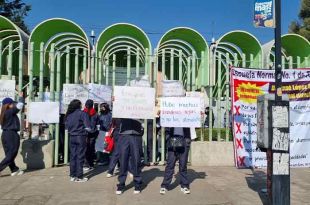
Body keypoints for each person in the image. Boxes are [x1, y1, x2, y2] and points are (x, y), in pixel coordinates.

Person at [116, 118, 144, 195]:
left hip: (136, 134)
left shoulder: (140, 106)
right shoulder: (121, 106)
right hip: (124, 134)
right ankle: (121, 184)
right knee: (123, 160)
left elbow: (145, 116)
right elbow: (116, 118)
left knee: (136, 160)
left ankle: (137, 184)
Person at [160, 127, 192, 195]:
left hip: (184, 140)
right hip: (173, 138)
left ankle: (184, 185)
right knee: (170, 164)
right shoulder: (170, 116)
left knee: (183, 164)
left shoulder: (187, 116)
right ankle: (165, 185)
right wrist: (168, 137)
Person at [65, 99, 91, 182]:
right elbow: (88, 127)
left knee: (73, 156)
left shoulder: (69, 115)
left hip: (72, 137)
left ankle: (72, 175)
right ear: (79, 105)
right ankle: (79, 177)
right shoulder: (83, 114)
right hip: (81, 136)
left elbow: (66, 129)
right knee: (80, 156)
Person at [0, 94, 24, 176]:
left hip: (5, 134)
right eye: (12, 103)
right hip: (11, 134)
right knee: (12, 153)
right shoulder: (10, 111)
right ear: (9, 104)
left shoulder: (3, 113)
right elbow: (20, 105)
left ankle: (14, 169)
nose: (14, 104)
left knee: (9, 154)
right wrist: (21, 97)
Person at [83, 99, 99, 171]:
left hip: (85, 133)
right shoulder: (95, 113)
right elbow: (98, 124)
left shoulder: (83, 112)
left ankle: (86, 164)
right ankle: (91, 164)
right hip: (93, 132)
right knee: (91, 148)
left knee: (85, 148)